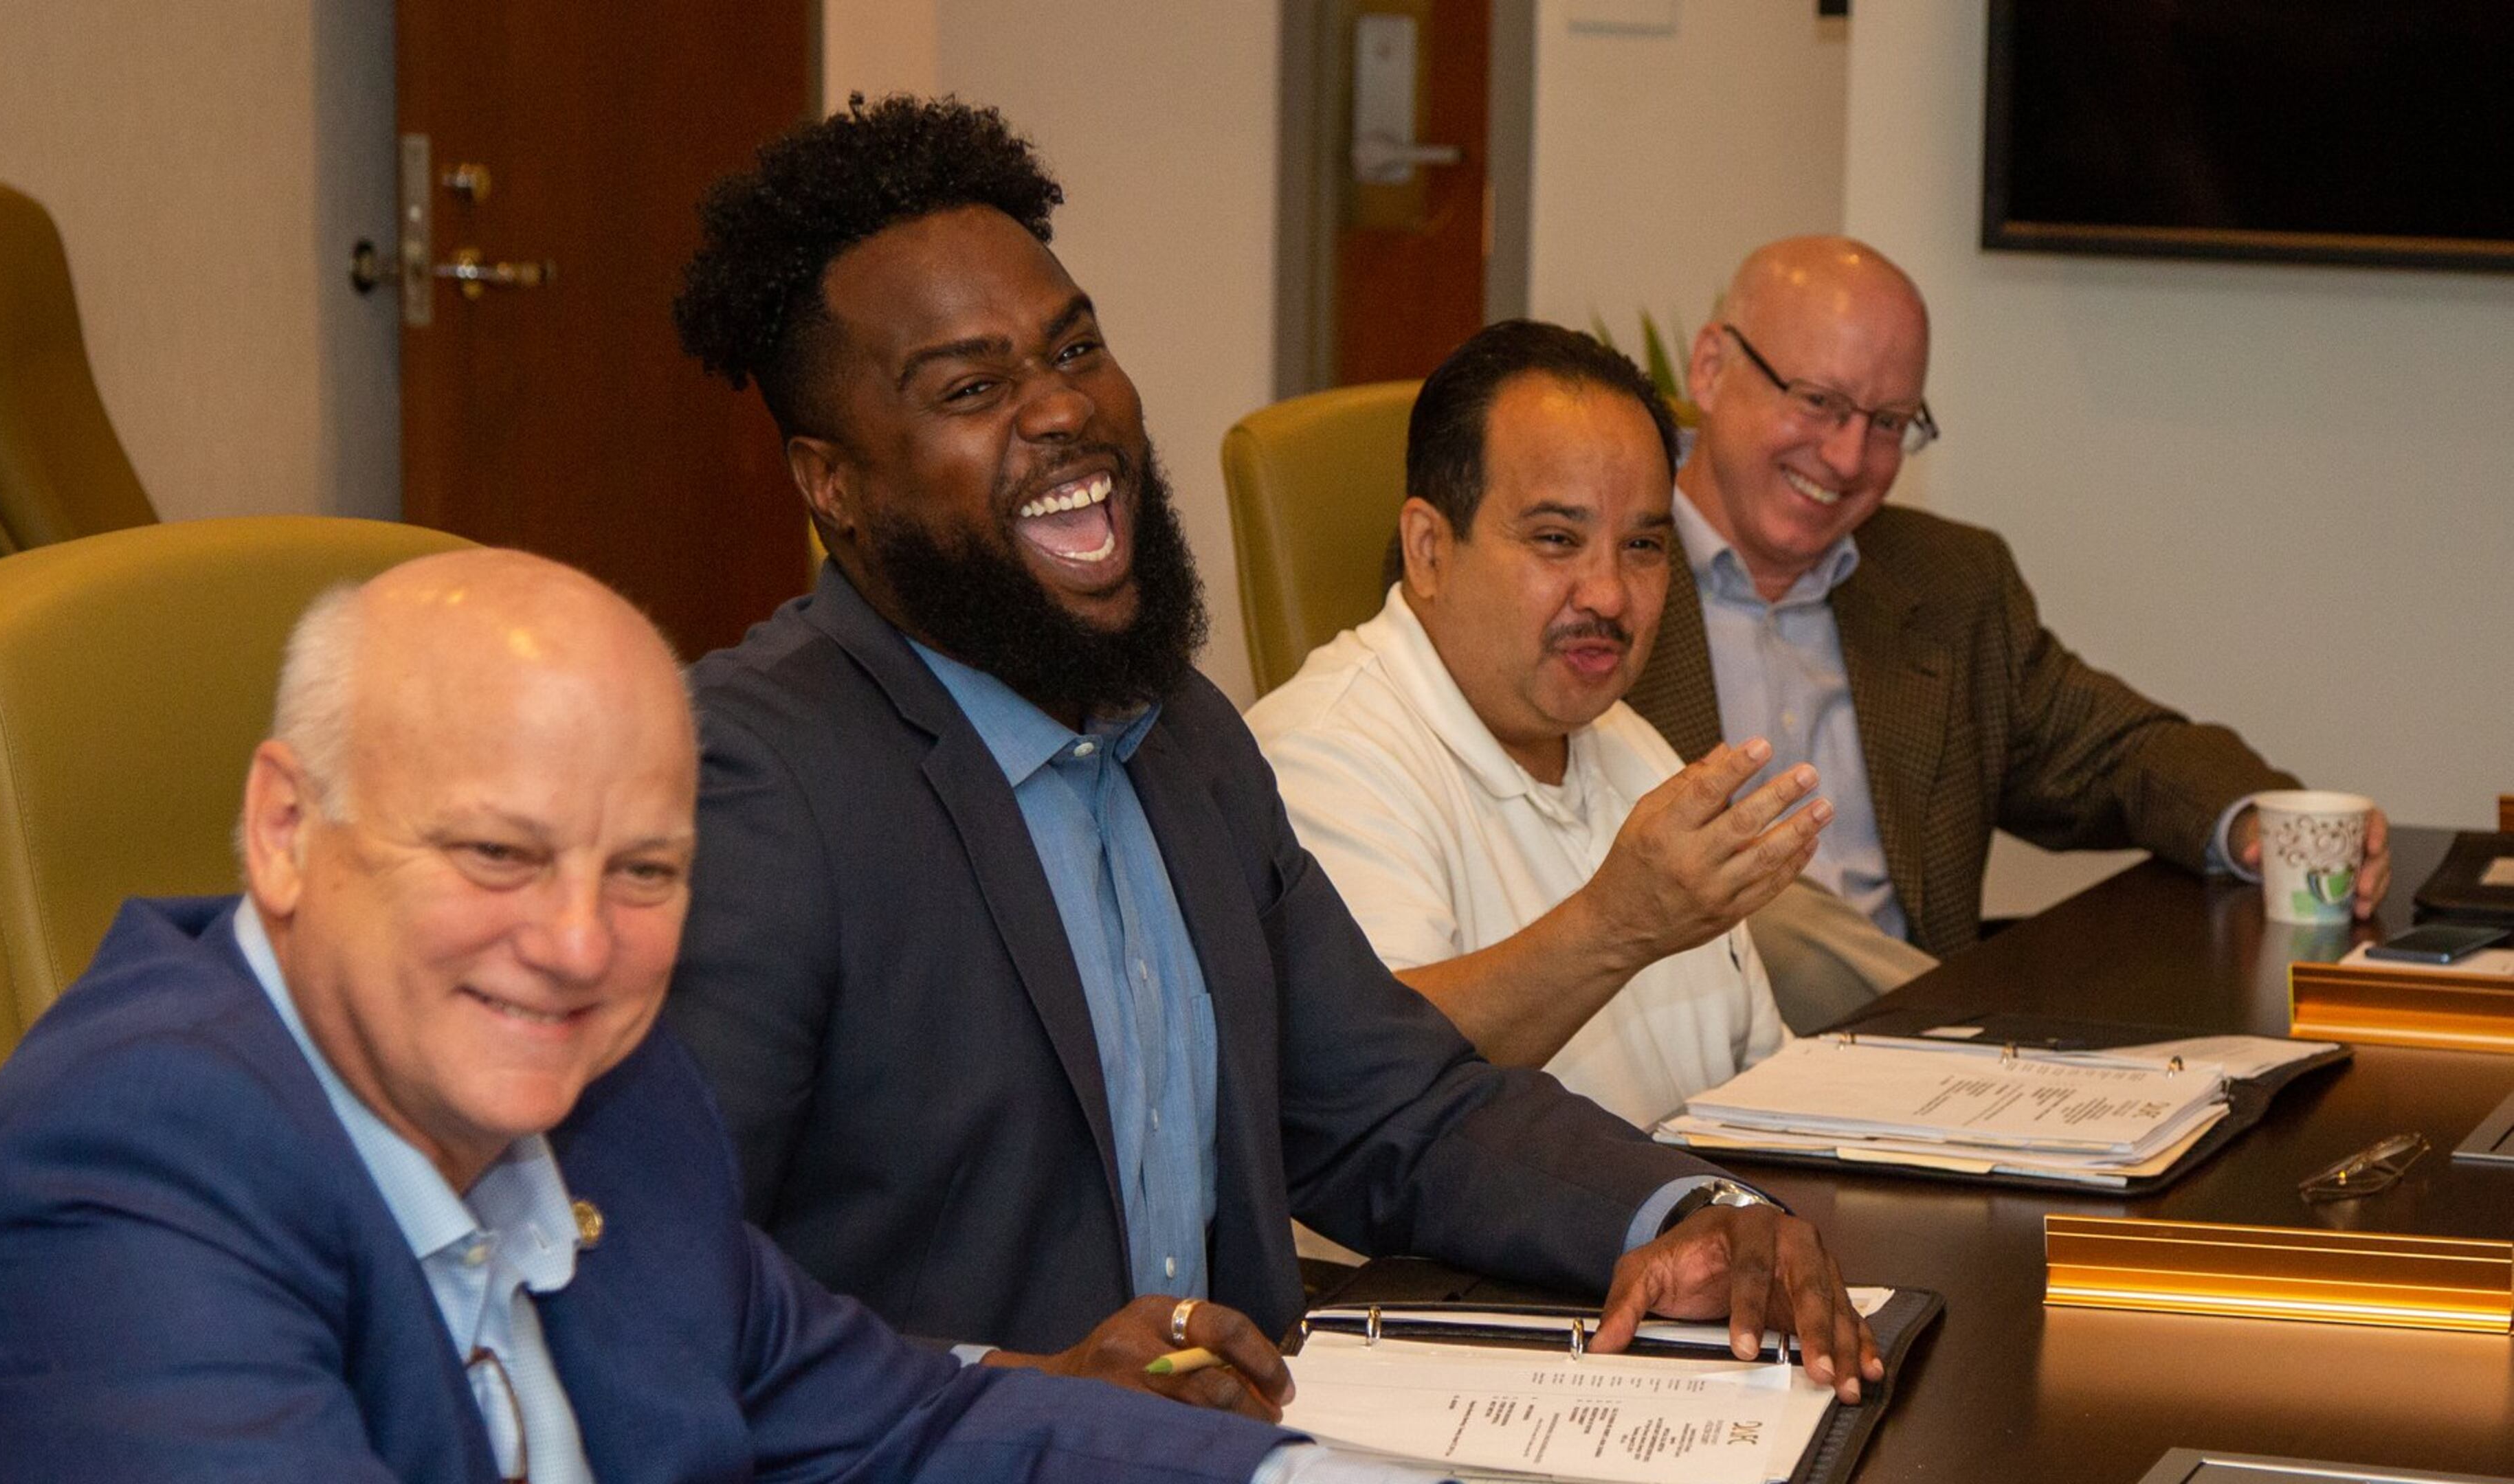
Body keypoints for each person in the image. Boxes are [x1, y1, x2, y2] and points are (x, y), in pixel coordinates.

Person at [665, 93, 1880, 1416]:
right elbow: (664, 1290)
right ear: (831, 484)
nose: (1063, 409)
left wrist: (1685, 1209)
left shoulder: (1179, 733)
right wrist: (1018, 1391)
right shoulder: (751, 784)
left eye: (1076, 347)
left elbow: (1392, 1109)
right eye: (973, 387)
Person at [0, 549, 1331, 1483]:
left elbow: (902, 1425)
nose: (579, 947)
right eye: (497, 855)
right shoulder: (123, 1188)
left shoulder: (616, 1114)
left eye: (644, 872)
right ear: (284, 829)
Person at [1628, 235, 2390, 1027]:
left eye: (1889, 423)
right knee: (1763, 915)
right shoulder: (1600, 573)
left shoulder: (1948, 586)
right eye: (1818, 401)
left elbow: (2115, 754)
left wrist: (2260, 823)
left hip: (1915, 1102)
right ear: (1711, 368)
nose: (1849, 456)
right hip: (1674, 1068)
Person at [1247, 321, 1816, 1127]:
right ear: (1429, 548)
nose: (1610, 596)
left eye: (1644, 545)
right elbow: (1362, 1081)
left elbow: (1757, 1080)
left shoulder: (1628, 742)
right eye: (1557, 540)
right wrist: (1618, 925)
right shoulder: (1320, 757)